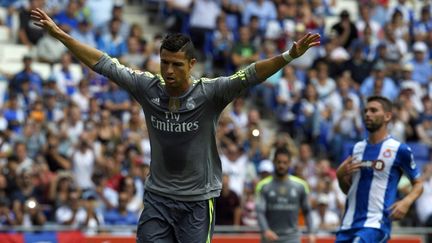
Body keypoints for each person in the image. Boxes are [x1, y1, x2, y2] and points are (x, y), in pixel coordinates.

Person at [30, 7, 320, 243]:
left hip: (197, 202)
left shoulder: (210, 93)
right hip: (158, 198)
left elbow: (250, 75)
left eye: (176, 64)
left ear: (191, 64)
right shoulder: (147, 87)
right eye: (164, 62)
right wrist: (60, 34)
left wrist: (289, 56)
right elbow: (103, 63)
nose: (168, 70)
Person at [335, 95, 424, 243]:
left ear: (387, 116)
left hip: (376, 225)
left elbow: (419, 183)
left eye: (373, 110)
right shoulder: (357, 148)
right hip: (348, 225)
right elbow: (349, 191)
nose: (368, 114)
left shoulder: (398, 149)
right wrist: (340, 176)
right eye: (366, 111)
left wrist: (406, 202)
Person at [256, 147, 315, 243]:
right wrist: (265, 230)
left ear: (290, 163)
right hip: (270, 238)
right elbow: (259, 212)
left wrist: (311, 232)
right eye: (279, 162)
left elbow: (307, 211)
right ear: (274, 162)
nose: (281, 165)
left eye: (285, 162)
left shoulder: (300, 186)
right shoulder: (263, 186)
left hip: (292, 238)